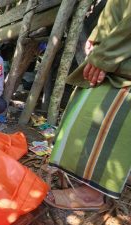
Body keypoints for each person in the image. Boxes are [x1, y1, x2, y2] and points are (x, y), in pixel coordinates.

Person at [45, 0, 131, 210]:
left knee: (106, 121)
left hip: (123, 61)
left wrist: (106, 55)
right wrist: (97, 35)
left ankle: (91, 194)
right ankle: (100, 178)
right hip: (116, 51)